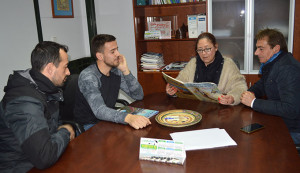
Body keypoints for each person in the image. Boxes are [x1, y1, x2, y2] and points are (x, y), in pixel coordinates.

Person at [0, 41, 75, 172]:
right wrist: (66, 131)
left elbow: (51, 130)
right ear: (50, 68)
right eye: (65, 67)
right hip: (21, 167)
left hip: (39, 162)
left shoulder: (46, 89)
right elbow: (44, 156)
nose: (68, 72)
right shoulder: (24, 103)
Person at [74, 34, 151, 130]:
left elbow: (138, 95)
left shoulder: (115, 71)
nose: (118, 54)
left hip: (107, 120)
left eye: (117, 49)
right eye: (112, 51)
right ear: (100, 56)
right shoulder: (89, 76)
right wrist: (128, 118)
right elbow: (99, 110)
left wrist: (125, 71)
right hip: (89, 125)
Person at [241, 28, 300, 145]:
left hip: (293, 130)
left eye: (261, 49)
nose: (256, 53)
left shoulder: (287, 68)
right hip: (279, 121)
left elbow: (290, 109)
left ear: (276, 49)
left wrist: (253, 102)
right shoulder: (274, 63)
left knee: (252, 143)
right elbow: (263, 84)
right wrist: (249, 93)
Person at [166, 32, 247, 105]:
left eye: (207, 49)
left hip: (220, 111)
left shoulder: (228, 64)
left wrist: (232, 98)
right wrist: (173, 89)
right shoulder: (193, 63)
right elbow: (180, 80)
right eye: (200, 50)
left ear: (216, 47)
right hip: (196, 107)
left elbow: (240, 87)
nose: (204, 53)